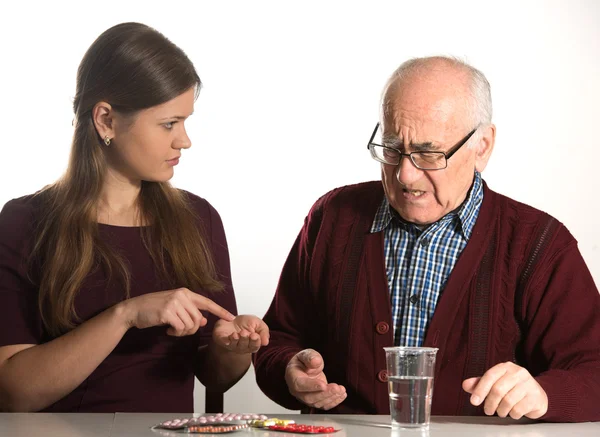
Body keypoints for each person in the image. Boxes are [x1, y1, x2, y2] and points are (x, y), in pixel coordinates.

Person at [254, 56, 600, 422]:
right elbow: (277, 337)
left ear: (482, 146)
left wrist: (544, 394)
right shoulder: (332, 217)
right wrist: (289, 371)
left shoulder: (538, 244)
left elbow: (593, 371)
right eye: (391, 148)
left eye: (428, 154)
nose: (405, 175)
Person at [0, 22, 269, 413]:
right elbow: (12, 394)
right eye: (168, 124)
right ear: (105, 120)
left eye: (185, 121)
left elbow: (215, 376)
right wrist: (125, 315)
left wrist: (234, 349)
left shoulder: (200, 220)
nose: (184, 140)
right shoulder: (24, 223)